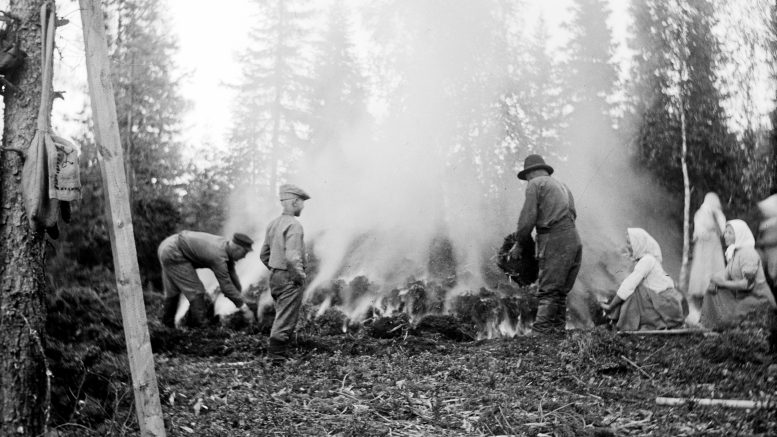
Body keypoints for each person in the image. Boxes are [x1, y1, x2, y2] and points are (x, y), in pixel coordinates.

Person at [509, 154, 582, 334]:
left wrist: (519, 243)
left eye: (526, 178)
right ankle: (556, 330)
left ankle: (541, 332)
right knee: (560, 291)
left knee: (548, 288)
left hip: (554, 238)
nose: (527, 181)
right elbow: (573, 213)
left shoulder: (535, 184)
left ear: (530, 174)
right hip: (573, 238)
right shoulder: (562, 186)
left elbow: (528, 217)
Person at [158, 231, 255, 328]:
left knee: (173, 292)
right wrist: (244, 309)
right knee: (197, 292)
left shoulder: (224, 247)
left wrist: (240, 297)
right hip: (173, 252)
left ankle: (167, 327)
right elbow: (226, 287)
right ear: (237, 248)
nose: (244, 256)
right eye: (245, 252)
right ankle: (197, 330)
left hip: (168, 245)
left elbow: (232, 275)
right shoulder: (218, 256)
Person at [260, 183, 310, 361]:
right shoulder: (294, 226)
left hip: (275, 276)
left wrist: (275, 269)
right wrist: (299, 276)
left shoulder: (273, 224)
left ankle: (278, 354)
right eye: (302, 202)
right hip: (289, 276)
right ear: (295, 202)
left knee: (281, 314)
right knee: (286, 318)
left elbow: (264, 254)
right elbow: (292, 258)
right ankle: (276, 358)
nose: (303, 206)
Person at [600, 228, 684, 331]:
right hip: (665, 303)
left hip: (667, 305)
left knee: (633, 293)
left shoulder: (647, 260)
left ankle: (623, 325)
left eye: (629, 243)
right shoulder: (647, 259)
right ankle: (619, 321)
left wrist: (611, 306)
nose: (627, 246)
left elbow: (629, 284)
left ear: (638, 244)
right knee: (635, 291)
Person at [700, 219, 777, 331]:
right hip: (742, 295)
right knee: (712, 292)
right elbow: (725, 275)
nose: (725, 235)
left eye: (730, 233)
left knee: (734, 315)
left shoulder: (748, 254)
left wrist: (724, 283)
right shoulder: (735, 252)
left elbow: (748, 284)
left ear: (739, 235)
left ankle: (723, 326)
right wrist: (714, 280)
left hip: (758, 298)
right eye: (725, 232)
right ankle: (708, 324)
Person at [687, 193, 726, 325]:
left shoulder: (718, 214)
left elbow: (722, 229)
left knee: (714, 267)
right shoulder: (700, 213)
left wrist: (715, 223)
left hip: (714, 244)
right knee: (702, 268)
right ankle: (700, 296)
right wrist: (706, 230)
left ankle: (714, 293)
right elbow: (699, 229)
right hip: (704, 244)